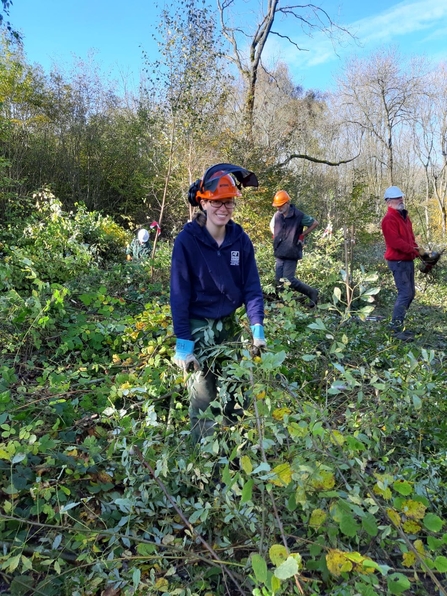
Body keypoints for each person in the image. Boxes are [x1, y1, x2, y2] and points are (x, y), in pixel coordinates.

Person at [170, 163, 265, 444]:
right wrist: (184, 346)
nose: (223, 209)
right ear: (203, 203)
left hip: (229, 328)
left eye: (229, 203)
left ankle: (236, 452)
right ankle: (202, 462)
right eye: (216, 202)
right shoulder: (187, 242)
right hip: (199, 328)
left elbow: (252, 288)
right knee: (203, 397)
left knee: (238, 390)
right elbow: (179, 295)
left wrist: (257, 328)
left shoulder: (240, 240)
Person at [381, 185, 426, 340]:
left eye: (401, 197)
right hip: (397, 261)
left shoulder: (405, 217)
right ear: (388, 202)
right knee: (405, 293)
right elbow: (395, 242)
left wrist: (420, 252)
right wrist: (414, 251)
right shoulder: (389, 219)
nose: (401, 199)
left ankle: (398, 323)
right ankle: (395, 329)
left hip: (407, 260)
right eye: (397, 198)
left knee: (411, 293)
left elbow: (410, 239)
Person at [270, 190, 319, 306]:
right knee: (279, 280)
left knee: (289, 280)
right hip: (280, 250)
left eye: (280, 206)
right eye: (277, 206)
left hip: (292, 251)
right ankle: (283, 305)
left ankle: (312, 292)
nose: (278, 208)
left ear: (287, 203)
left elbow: (315, 223)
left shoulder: (299, 216)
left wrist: (303, 234)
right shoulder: (277, 215)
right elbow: (272, 225)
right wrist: (275, 234)